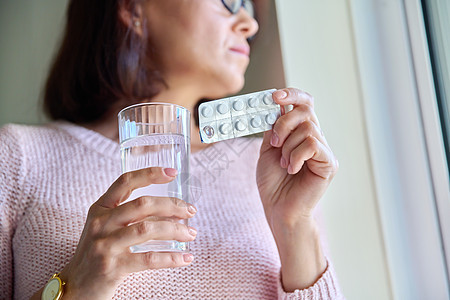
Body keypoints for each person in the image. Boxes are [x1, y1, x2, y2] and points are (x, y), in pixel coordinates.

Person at [0, 0, 344, 299]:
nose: (250, 23)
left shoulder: (277, 168)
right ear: (132, 8)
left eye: (249, 6)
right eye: (227, 0)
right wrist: (73, 289)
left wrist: (294, 223)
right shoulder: (19, 157)